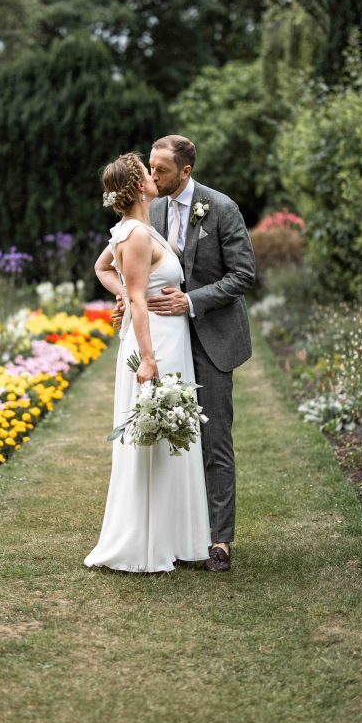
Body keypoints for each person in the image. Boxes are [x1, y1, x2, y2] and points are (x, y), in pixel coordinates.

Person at [84, 152, 211, 573]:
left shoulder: (139, 229)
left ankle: (174, 537)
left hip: (170, 339)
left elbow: (106, 270)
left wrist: (120, 290)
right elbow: (138, 297)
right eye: (148, 172)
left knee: (168, 438)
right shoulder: (135, 234)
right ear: (140, 186)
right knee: (152, 439)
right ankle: (146, 543)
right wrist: (149, 358)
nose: (155, 177)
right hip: (154, 344)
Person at [145, 135, 255, 572]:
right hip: (166, 339)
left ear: (186, 171)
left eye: (161, 171)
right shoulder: (152, 209)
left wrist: (192, 301)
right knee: (167, 434)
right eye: (151, 167)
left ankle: (219, 541)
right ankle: (176, 534)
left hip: (212, 338)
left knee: (214, 440)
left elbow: (244, 274)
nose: (152, 177)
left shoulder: (222, 208)